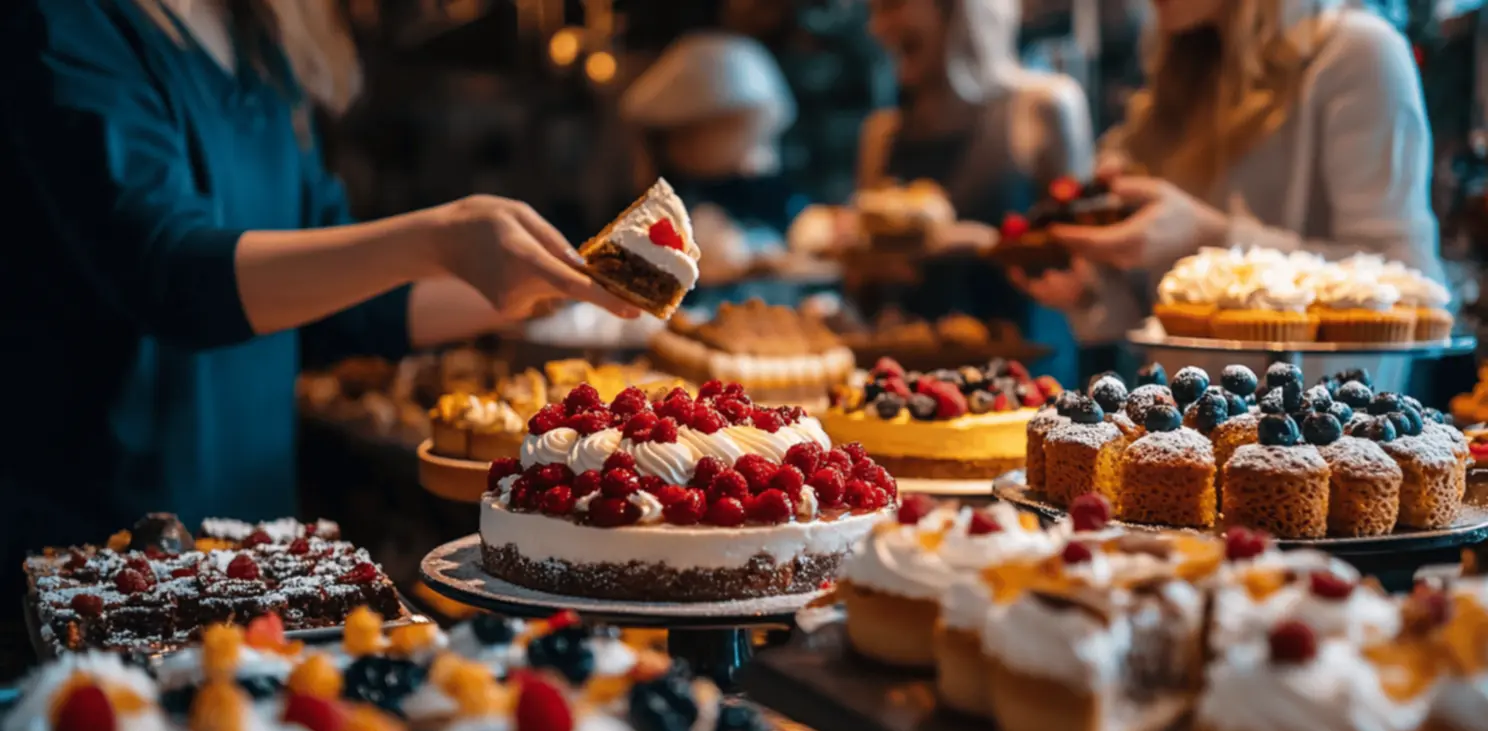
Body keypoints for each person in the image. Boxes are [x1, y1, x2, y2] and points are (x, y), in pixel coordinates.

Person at [0, 0, 637, 563]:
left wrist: (546, 289)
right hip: (96, 547)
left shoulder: (255, 37)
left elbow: (343, 306)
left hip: (255, 543)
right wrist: (436, 239)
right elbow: (172, 277)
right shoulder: (60, 24)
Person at [1015, 0, 1443, 343]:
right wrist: (1090, 289)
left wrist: (1210, 236)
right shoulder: (1190, 63)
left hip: (1319, 434)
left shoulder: (1358, 53)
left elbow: (1412, 286)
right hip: (1185, 426)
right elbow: (1167, 326)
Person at [858, 0, 1093, 386]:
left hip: (1026, 383)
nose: (876, 27)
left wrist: (987, 244)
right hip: (907, 388)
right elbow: (867, 293)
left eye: (892, 5)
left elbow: (1087, 263)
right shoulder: (881, 134)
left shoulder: (1041, 107)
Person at [621, 31, 830, 310]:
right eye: (736, 130)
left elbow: (805, 228)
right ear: (684, 134)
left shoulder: (766, 193)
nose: (755, 149)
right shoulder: (670, 209)